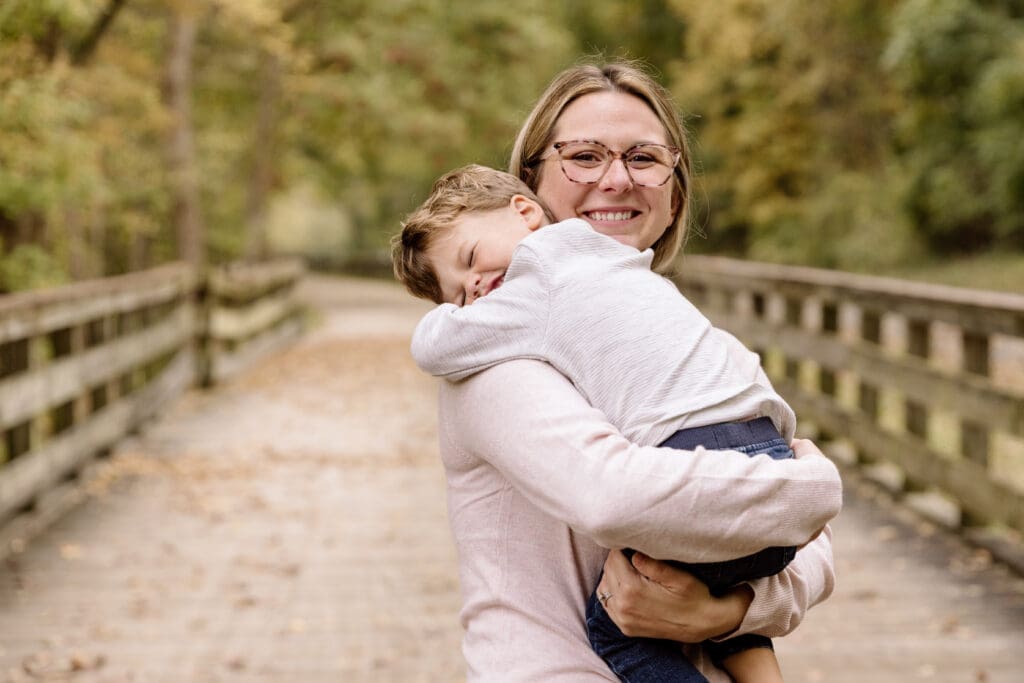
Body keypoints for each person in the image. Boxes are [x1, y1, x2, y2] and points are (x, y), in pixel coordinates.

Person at [393, 60, 841, 682]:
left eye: (645, 158)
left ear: (674, 191)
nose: (616, 179)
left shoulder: (691, 339)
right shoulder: (497, 361)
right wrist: (805, 490)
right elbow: (614, 495)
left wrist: (726, 612)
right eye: (583, 156)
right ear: (527, 186)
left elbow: (811, 553)